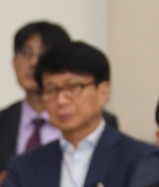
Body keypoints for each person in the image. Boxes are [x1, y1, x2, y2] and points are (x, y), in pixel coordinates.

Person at [0, 41, 159, 187]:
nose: (61, 100)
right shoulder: (23, 166)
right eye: (52, 90)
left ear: (103, 92)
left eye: (73, 87)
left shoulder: (140, 159)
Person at [0, 21, 118, 173]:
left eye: (44, 53)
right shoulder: (3, 121)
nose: (34, 62)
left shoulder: (99, 121)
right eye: (26, 53)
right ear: (14, 63)